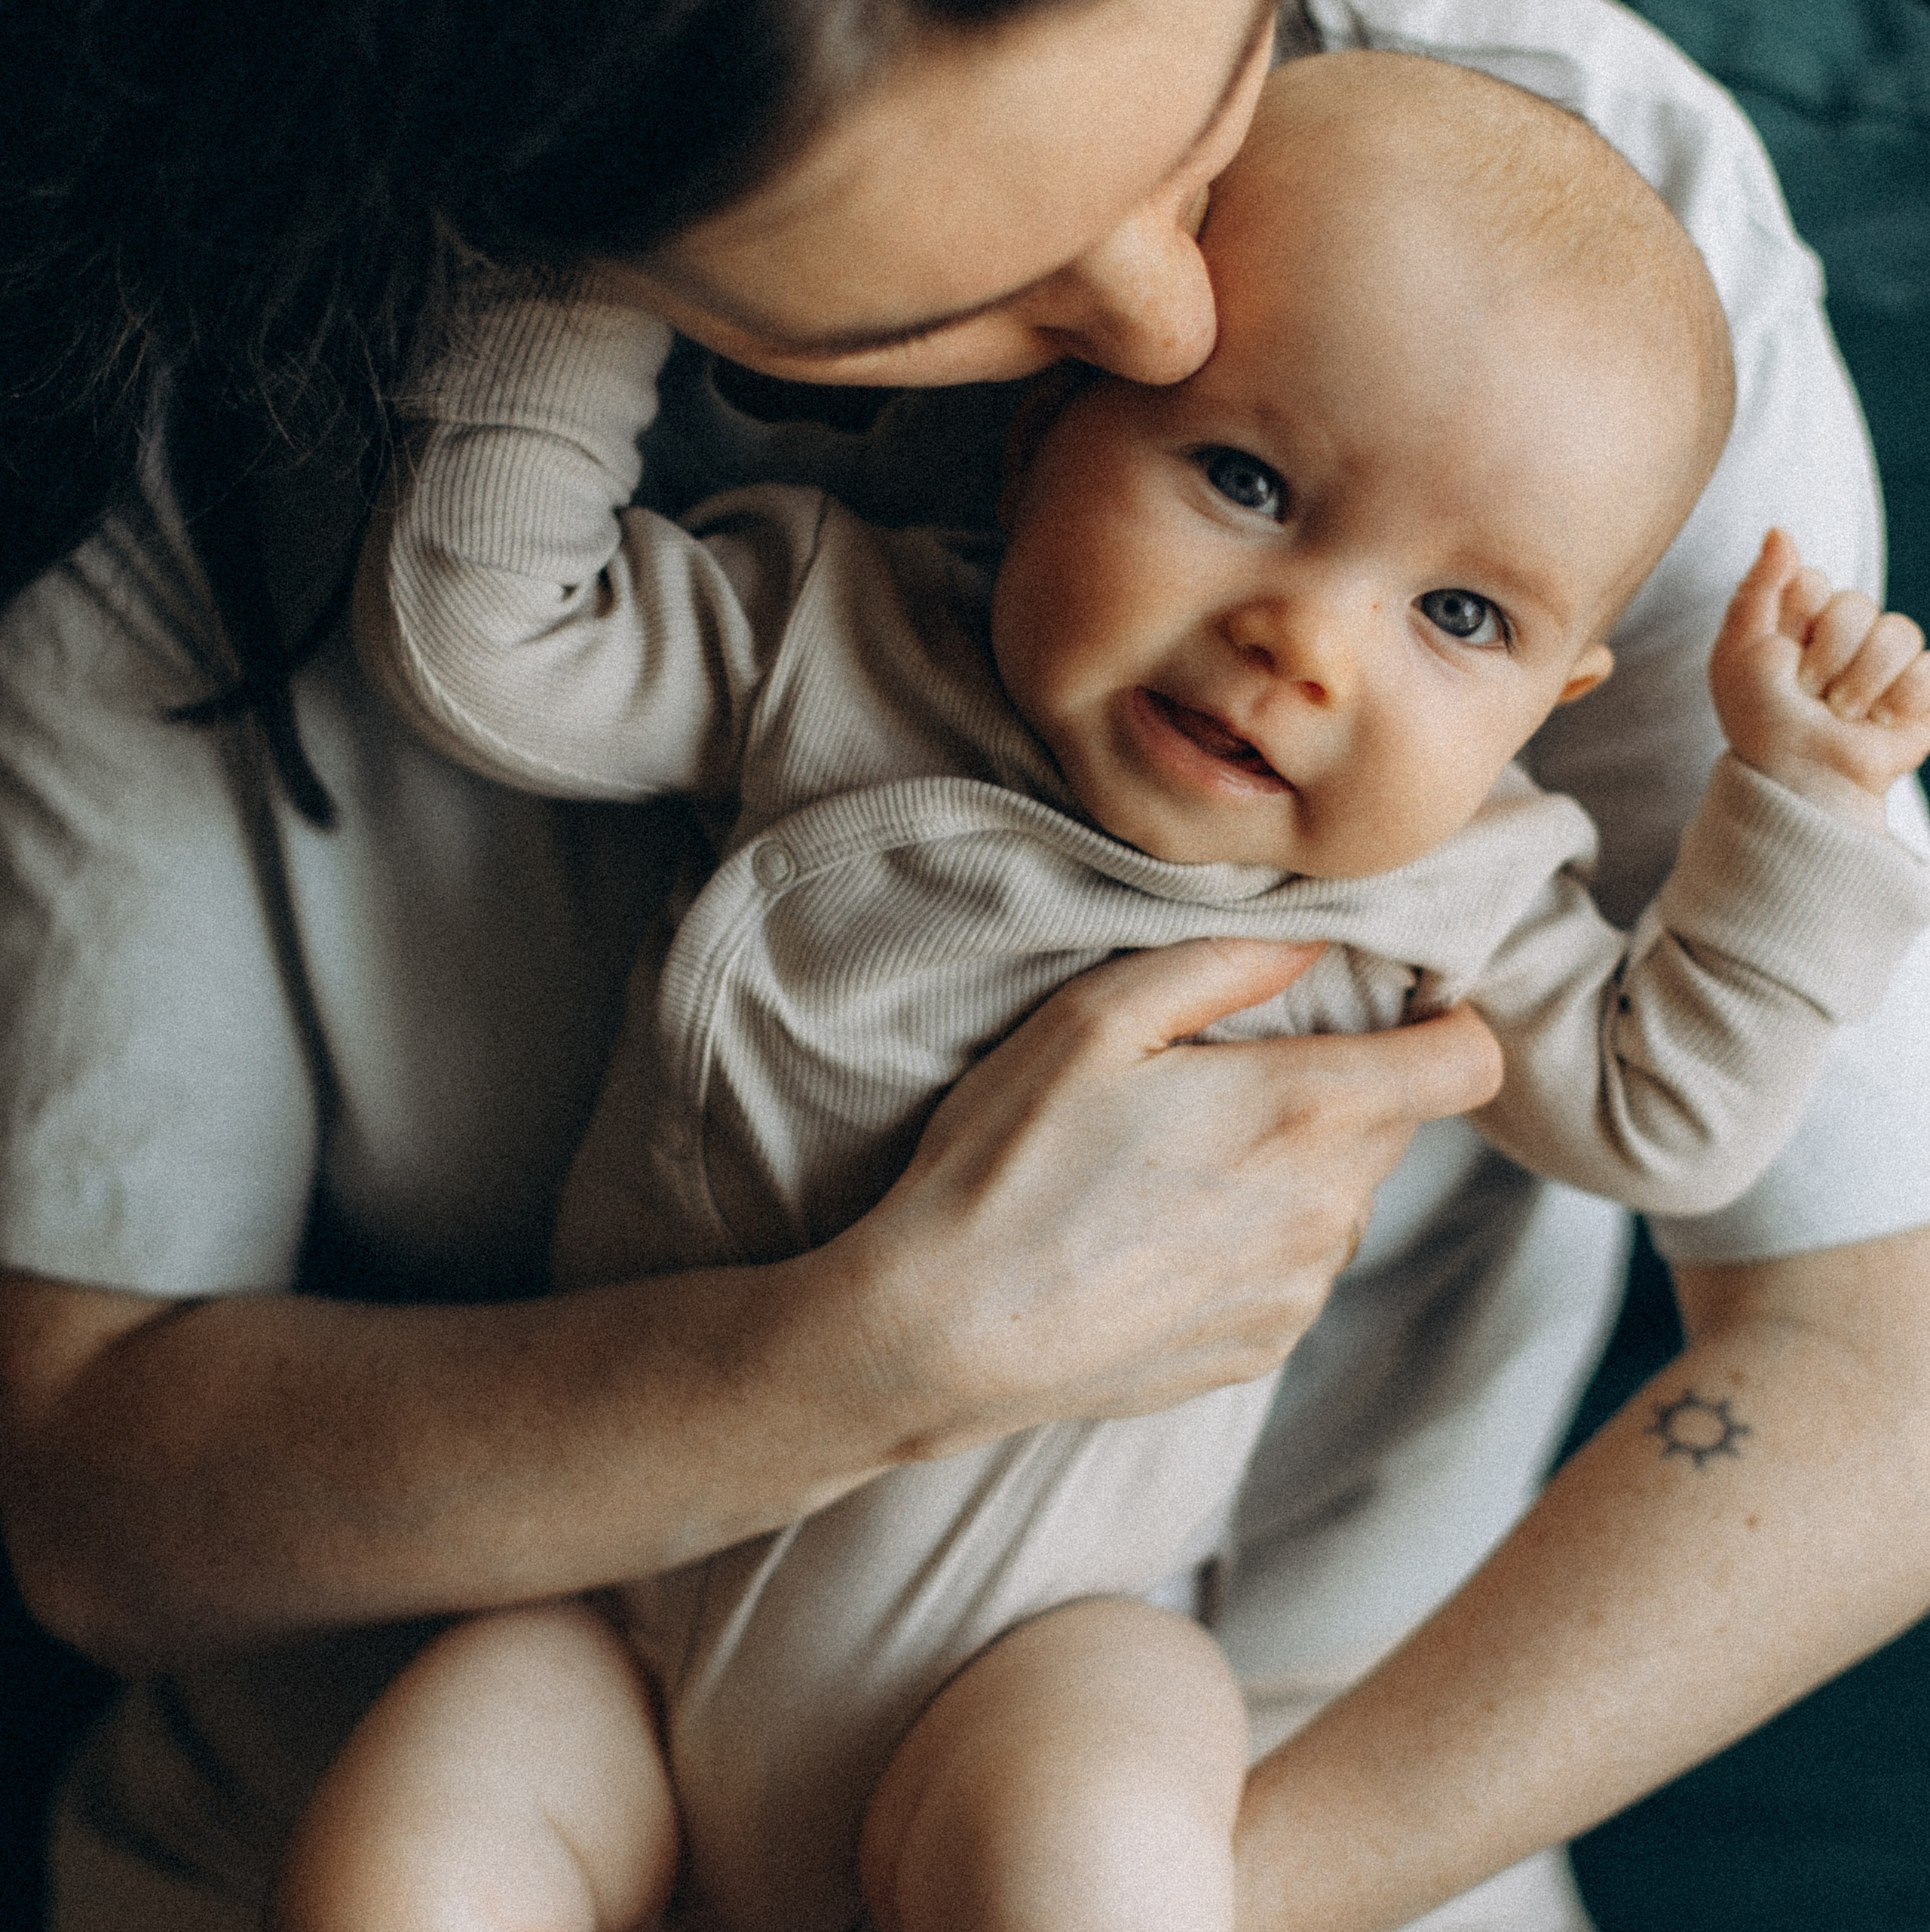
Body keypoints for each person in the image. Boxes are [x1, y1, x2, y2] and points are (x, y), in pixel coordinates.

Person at [0, 3, 1926, 1931]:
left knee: (1088, 1856)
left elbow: (1731, 1182)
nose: (1303, 651)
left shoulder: (1478, 831)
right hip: (579, 1619)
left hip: (1088, 1676)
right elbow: (499, 635)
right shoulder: (834, 634)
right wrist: (873, 1358)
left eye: (1453, 615)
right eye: (1236, 478)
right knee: (410, 1859)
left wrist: (1804, 821)